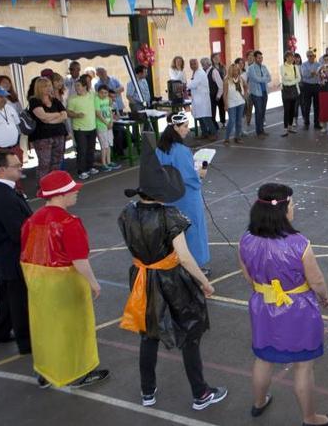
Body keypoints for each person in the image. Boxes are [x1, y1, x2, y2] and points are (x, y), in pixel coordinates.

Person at [118, 141, 225, 410]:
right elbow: (185, 257)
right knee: (189, 332)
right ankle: (200, 393)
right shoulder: (170, 215)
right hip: (171, 280)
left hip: (142, 278)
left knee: (148, 334)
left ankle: (147, 391)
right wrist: (204, 281)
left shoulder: (127, 213)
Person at [238, 183, 328, 424]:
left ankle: (259, 402)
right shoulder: (299, 243)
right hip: (297, 309)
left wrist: (265, 291)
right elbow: (317, 280)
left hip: (263, 305)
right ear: (282, 210)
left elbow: (247, 275)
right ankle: (309, 417)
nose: (294, 208)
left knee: (263, 358)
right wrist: (324, 297)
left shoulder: (246, 240)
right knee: (303, 365)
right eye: (292, 204)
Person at [21, 170, 109, 388]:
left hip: (38, 282)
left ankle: (46, 371)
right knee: (74, 327)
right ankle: (79, 372)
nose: (76, 193)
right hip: (64, 284)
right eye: (72, 190)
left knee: (46, 327)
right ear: (60, 195)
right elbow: (79, 260)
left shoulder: (32, 220)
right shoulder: (68, 222)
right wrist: (93, 283)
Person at [0, 152, 32, 355]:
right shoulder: (2, 196)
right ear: (1, 169)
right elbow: (18, 231)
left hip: (5, 257)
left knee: (7, 297)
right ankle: (26, 343)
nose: (21, 167)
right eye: (16, 165)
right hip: (12, 257)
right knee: (19, 301)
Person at [156, 113, 211, 276]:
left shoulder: (161, 148)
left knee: (174, 232)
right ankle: (195, 266)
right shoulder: (181, 150)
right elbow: (189, 177)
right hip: (187, 197)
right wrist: (200, 174)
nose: (188, 129)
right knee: (193, 230)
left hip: (169, 196)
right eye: (185, 126)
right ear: (176, 127)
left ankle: (176, 262)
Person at [28, 77, 69, 180]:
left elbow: (64, 115)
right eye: (45, 86)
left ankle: (54, 184)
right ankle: (43, 186)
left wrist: (51, 120)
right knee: (45, 163)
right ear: (39, 88)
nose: (48, 88)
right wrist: (56, 114)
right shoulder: (34, 101)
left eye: (49, 85)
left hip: (59, 134)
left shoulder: (55, 100)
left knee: (57, 162)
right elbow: (43, 117)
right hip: (42, 137)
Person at [66, 78, 98, 180]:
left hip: (92, 127)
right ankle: (81, 171)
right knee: (82, 150)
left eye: (78, 85)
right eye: (76, 86)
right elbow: (68, 112)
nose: (76, 88)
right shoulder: (72, 99)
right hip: (79, 129)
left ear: (85, 86)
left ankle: (90, 167)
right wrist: (76, 114)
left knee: (91, 149)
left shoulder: (92, 95)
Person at [247, 50, 273, 138]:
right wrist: (263, 78)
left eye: (261, 58)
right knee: (258, 112)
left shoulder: (264, 67)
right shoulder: (251, 68)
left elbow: (270, 78)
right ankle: (259, 132)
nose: (260, 59)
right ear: (254, 58)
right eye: (258, 58)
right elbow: (256, 79)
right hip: (256, 93)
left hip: (264, 92)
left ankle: (262, 130)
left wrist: (262, 78)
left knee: (263, 112)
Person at [188, 58, 216, 140]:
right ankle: (204, 133)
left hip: (203, 100)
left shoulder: (200, 73)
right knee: (200, 117)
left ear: (197, 64)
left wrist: (184, 86)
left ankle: (214, 133)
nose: (193, 66)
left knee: (206, 118)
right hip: (198, 100)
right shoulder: (195, 72)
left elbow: (193, 84)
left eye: (194, 64)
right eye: (191, 64)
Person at [94, 85, 119, 171]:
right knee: (104, 145)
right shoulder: (96, 100)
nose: (104, 94)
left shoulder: (108, 99)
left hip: (109, 125)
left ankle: (109, 162)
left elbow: (110, 111)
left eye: (105, 93)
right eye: (102, 93)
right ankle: (104, 163)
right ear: (98, 92)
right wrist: (106, 123)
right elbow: (98, 113)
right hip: (101, 125)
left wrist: (111, 122)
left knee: (108, 144)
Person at [222, 62, 247, 144]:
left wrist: (245, 95)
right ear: (231, 71)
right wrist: (225, 104)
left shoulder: (241, 78)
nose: (236, 72)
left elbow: (246, 86)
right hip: (231, 103)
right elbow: (225, 94)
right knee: (232, 121)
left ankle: (237, 137)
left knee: (239, 121)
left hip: (241, 102)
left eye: (237, 70)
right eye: (234, 70)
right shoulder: (226, 80)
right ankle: (226, 138)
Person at [279, 51, 301, 136]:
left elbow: (299, 78)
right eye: (290, 57)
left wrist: (291, 80)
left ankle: (290, 126)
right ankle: (285, 128)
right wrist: (292, 80)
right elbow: (285, 77)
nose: (292, 58)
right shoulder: (282, 67)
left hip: (294, 90)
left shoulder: (295, 67)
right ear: (286, 58)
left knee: (292, 109)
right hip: (286, 90)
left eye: (292, 57)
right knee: (286, 110)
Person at [207, 53, 226, 127]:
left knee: (222, 107)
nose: (217, 59)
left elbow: (225, 76)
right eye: (215, 58)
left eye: (218, 57)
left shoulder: (222, 67)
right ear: (212, 59)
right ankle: (214, 123)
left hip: (222, 89)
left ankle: (223, 122)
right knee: (213, 108)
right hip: (215, 90)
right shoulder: (211, 68)